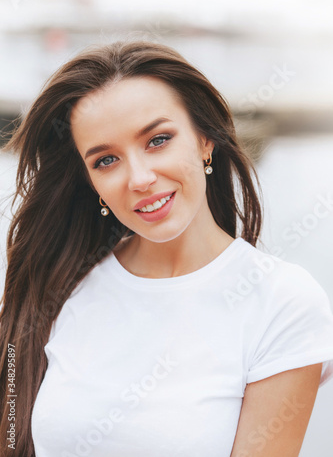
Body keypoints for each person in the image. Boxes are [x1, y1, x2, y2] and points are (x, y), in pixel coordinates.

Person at [0, 40, 333, 457]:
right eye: (106, 160)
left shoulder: (281, 302)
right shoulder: (60, 284)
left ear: (205, 140)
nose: (139, 178)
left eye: (157, 140)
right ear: (91, 183)